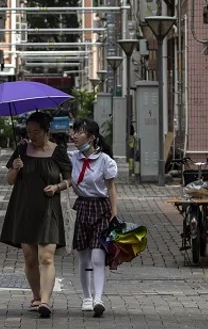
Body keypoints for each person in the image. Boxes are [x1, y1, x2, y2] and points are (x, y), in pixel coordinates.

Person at [0, 112, 73, 318]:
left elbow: (69, 180)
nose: (32, 136)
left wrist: (57, 187)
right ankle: (36, 295)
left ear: (46, 130)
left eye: (36, 132)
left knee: (46, 257)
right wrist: (15, 168)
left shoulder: (58, 152)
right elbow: (10, 180)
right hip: (23, 209)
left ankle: (46, 301)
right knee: (30, 258)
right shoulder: (22, 150)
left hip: (49, 209)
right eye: (29, 131)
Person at [68, 118, 118, 317]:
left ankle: (98, 298)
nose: (74, 136)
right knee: (84, 256)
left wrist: (114, 213)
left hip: (100, 208)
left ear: (91, 137)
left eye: (79, 132)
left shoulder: (105, 161)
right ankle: (86, 297)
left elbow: (111, 188)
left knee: (98, 256)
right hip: (81, 206)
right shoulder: (71, 158)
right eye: (74, 132)